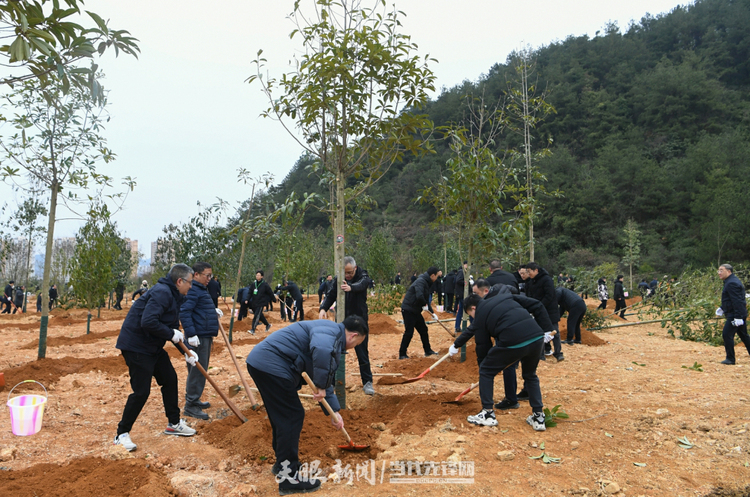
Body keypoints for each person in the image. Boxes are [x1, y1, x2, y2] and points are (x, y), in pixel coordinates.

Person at [246, 316, 368, 495]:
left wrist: (333, 411)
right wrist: (320, 384)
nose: (355, 347)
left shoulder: (331, 337)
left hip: (263, 364)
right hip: (271, 365)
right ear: (353, 336)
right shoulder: (330, 333)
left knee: (281, 416)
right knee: (292, 415)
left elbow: (326, 377)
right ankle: (289, 478)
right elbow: (321, 352)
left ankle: (283, 465)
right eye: (357, 343)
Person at [114, 263, 198, 452]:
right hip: (136, 346)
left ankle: (173, 424)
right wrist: (170, 333)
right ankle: (121, 434)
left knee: (169, 379)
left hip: (151, 346)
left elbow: (173, 329)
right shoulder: (162, 292)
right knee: (141, 391)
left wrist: (187, 353)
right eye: (190, 283)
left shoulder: (175, 296)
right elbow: (148, 321)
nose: (191, 287)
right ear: (179, 281)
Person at [449, 292, 554, 431]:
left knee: (486, 370)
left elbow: (483, 345)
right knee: (530, 375)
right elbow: (536, 304)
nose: (472, 318)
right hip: (537, 337)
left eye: (470, 314)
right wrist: (456, 345)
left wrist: (485, 368)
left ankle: (487, 413)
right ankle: (539, 417)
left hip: (514, 340)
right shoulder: (504, 297)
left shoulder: (481, 314)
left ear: (473, 308)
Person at [319, 257, 375, 395]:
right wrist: (323, 308)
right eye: (345, 273)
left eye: (350, 272)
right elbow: (331, 295)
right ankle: (331, 384)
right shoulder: (339, 278)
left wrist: (351, 287)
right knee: (335, 351)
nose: (348, 276)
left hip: (359, 321)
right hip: (343, 322)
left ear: (355, 268)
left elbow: (363, 284)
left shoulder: (363, 275)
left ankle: (367, 382)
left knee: (362, 353)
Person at [180, 262, 222, 420]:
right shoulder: (193, 290)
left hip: (203, 334)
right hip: (198, 337)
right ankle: (190, 405)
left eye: (211, 275)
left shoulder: (199, 289)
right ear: (196, 275)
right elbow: (184, 312)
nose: (209, 279)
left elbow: (198, 310)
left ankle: (194, 399)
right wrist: (190, 334)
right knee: (198, 370)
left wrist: (212, 311)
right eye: (207, 275)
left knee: (197, 370)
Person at [398, 266, 440, 359]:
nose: (437, 278)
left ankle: (428, 351)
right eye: (437, 276)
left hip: (415, 310)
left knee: (423, 329)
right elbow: (419, 296)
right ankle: (402, 354)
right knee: (409, 332)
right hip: (408, 309)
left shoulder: (427, 282)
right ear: (432, 275)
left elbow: (425, 300)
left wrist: (432, 313)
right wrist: (424, 304)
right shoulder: (421, 281)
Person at [525, 262, 564, 362]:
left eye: (529, 272)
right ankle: (540, 354)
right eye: (527, 272)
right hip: (537, 310)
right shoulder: (531, 281)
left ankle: (558, 353)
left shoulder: (547, 279)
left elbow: (549, 295)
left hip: (549, 310)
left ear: (536, 270)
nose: (528, 274)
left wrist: (540, 306)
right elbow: (529, 295)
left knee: (554, 331)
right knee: (539, 332)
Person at [716, 264, 750, 365]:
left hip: (735, 314)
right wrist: (722, 308)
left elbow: (738, 301)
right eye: (718, 271)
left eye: (721, 270)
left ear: (729, 271)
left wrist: (738, 317)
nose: (719, 273)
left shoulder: (731, 283)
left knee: (727, 334)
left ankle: (730, 359)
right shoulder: (730, 281)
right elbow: (731, 299)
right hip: (736, 313)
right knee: (744, 336)